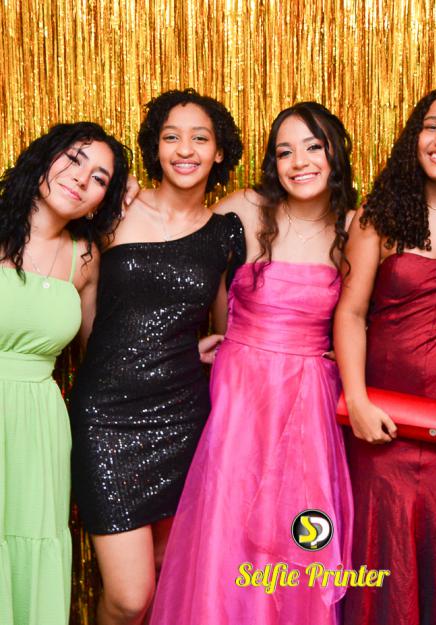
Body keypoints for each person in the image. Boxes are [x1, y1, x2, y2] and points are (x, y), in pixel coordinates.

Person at [149, 101, 356, 625]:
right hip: (240, 396)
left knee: (293, 530)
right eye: (285, 151)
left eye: (313, 147)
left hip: (307, 402)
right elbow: (178, 241)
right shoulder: (245, 209)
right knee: (229, 524)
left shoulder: (356, 227)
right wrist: (133, 197)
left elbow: (375, 309)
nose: (299, 162)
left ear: (336, 153)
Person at [69, 89, 244, 625]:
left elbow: (227, 326)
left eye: (200, 138)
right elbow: (87, 312)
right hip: (107, 418)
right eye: (172, 137)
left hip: (182, 418)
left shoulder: (224, 233)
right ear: (155, 147)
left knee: (169, 580)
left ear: (219, 151)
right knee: (129, 597)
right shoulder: (113, 210)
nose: (185, 150)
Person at [333, 87, 436, 625]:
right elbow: (350, 312)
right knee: (382, 555)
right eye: (431, 125)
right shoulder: (379, 217)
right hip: (381, 416)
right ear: (413, 137)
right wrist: (356, 401)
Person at [0, 122, 130, 625]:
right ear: (43, 159)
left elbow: (101, 355)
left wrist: (188, 348)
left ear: (101, 202)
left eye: (100, 178)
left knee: (30, 543)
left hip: (39, 426)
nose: (81, 178)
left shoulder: (85, 259)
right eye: (74, 159)